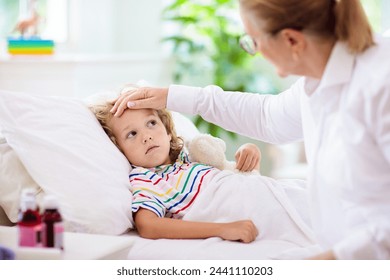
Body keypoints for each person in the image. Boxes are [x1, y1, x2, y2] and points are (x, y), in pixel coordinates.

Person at [110, 0, 390, 259]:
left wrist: (328, 261)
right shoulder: (316, 82)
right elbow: (269, 117)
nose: (254, 50)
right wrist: (173, 96)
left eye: (253, 41)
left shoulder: (380, 87)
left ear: (292, 40)